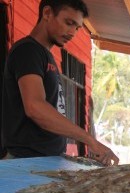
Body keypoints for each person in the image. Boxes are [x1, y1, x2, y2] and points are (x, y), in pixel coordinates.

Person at [1, 0, 119, 166]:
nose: (72, 32)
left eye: (77, 28)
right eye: (69, 23)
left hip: (45, 159)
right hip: (25, 161)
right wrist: (89, 140)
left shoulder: (46, 55)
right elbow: (35, 107)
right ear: (47, 13)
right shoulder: (27, 51)